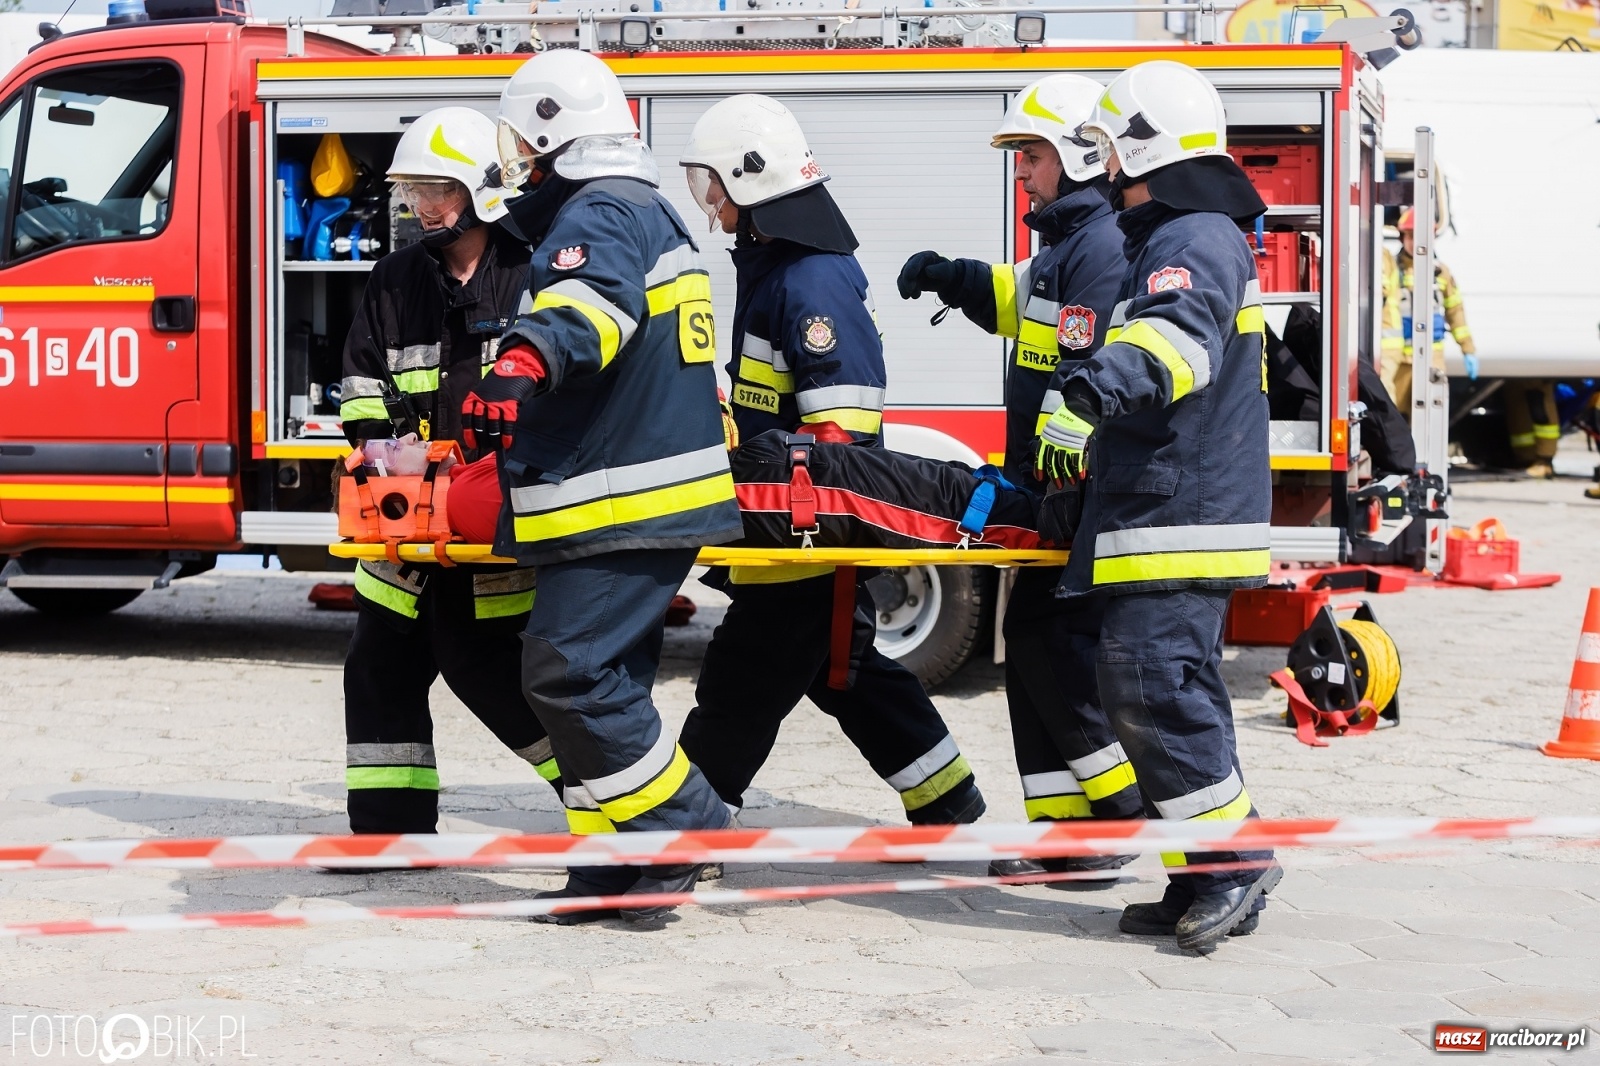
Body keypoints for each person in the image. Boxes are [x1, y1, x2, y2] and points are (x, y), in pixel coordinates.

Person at [463, 49, 744, 924]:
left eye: (522, 143)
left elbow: (591, 309)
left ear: (552, 136)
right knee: (606, 681)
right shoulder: (637, 206)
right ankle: (618, 862)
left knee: (569, 674)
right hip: (628, 497)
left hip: (621, 499)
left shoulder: (604, 211)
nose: (517, 164)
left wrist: (521, 359)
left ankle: (682, 824)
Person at [673, 94, 985, 830]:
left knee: (741, 681)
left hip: (808, 537)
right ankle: (951, 806)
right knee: (845, 675)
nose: (708, 200)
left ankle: (684, 829)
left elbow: (839, 434)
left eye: (712, 183)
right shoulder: (779, 268)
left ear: (751, 182)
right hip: (790, 530)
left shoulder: (809, 281)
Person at [1041, 60, 1281, 951]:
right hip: (1165, 505)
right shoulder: (1174, 234)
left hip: (1185, 510)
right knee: (1164, 688)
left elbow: (1177, 341)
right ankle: (1200, 874)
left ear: (1138, 145)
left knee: (1149, 684)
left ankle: (1235, 865)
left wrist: (1102, 381)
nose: (1099, 165)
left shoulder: (1196, 235)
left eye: (1106, 147)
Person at [894, 75, 1141, 878]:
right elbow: (1019, 301)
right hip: (1048, 484)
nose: (1021, 171)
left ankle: (1117, 814)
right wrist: (953, 277)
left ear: (1076, 153)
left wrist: (1058, 485)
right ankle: (1066, 840)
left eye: (1031, 154)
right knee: (1033, 647)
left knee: (1050, 649)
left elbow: (1088, 371)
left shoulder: (1100, 246)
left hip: (1076, 490)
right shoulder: (1065, 246)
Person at [335, 107, 550, 836]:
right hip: (406, 524)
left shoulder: (534, 273)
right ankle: (389, 834)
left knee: (488, 671)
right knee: (377, 666)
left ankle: (603, 794)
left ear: (484, 190)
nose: (421, 206)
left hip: (493, 524)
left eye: (437, 189)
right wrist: (378, 450)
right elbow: (364, 385)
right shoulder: (395, 279)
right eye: (411, 191)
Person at [1380, 208, 1476, 426]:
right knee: (1397, 414)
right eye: (1411, 236)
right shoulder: (1393, 269)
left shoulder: (1441, 273)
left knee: (1430, 416)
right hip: (1400, 359)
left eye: (1421, 237)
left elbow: (1455, 311)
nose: (1416, 242)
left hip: (1432, 358)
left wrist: (1468, 349)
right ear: (1403, 237)